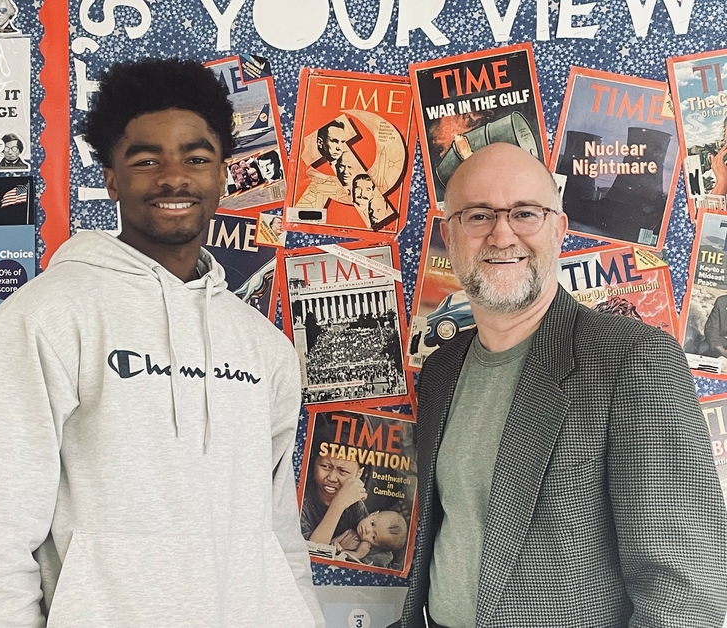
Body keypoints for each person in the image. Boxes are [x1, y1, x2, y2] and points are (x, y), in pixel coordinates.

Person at [0, 58, 324, 628]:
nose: (175, 178)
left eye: (197, 158)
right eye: (147, 160)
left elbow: (277, 534)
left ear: (223, 172)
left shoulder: (261, 346)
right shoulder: (45, 317)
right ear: (112, 177)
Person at [391, 142, 727, 628]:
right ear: (450, 233)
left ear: (558, 228)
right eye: (479, 215)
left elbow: (684, 590)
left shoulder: (634, 360)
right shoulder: (442, 370)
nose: (502, 235)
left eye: (525, 213)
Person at [300, 451, 368, 545]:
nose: (331, 478)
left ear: (358, 474)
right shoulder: (300, 499)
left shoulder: (355, 505)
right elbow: (311, 551)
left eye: (343, 471)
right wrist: (338, 505)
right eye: (325, 466)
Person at [331, 510, 407, 567]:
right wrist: (334, 544)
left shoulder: (365, 545)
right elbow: (332, 541)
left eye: (373, 537)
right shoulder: (350, 531)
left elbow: (357, 555)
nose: (368, 530)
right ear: (373, 513)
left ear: (376, 545)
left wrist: (340, 551)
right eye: (372, 524)